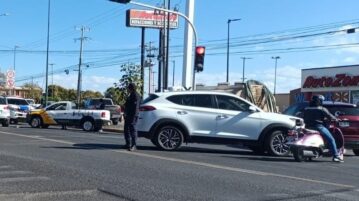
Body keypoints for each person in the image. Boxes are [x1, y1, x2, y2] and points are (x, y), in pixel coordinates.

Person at [303, 95, 343, 163]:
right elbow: (330, 116)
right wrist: (336, 119)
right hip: (318, 127)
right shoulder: (321, 109)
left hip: (307, 127)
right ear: (320, 101)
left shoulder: (306, 108)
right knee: (331, 139)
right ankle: (336, 156)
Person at [123, 83, 141, 151]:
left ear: (131, 88)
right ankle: (128, 144)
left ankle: (134, 145)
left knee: (133, 130)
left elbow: (135, 108)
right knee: (126, 130)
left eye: (128, 88)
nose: (127, 89)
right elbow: (127, 105)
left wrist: (133, 116)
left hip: (133, 116)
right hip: (128, 115)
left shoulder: (136, 96)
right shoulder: (130, 95)